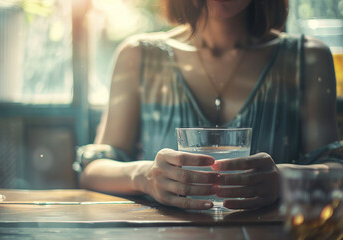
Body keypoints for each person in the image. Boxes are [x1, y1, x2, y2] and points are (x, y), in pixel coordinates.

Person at [74, 0, 343, 210]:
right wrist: (144, 176)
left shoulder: (307, 59)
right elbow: (93, 170)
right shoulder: (138, 56)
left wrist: (282, 180)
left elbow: (336, 170)